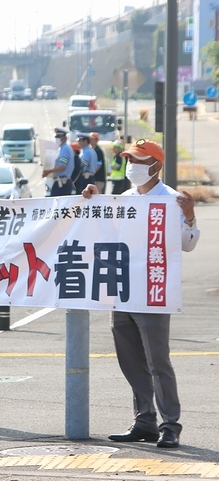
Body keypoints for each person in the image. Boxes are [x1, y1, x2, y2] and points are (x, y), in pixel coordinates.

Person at [82, 139, 200, 449]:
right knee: (131, 360)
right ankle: (144, 420)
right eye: (129, 159)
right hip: (123, 291)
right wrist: (93, 202)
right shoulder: (124, 198)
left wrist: (189, 218)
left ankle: (170, 424)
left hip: (153, 292)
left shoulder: (172, 200)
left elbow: (187, 244)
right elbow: (105, 233)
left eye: (138, 159)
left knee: (157, 361)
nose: (132, 165)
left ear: (156, 165)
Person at [42, 126, 75, 196]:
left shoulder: (65, 149)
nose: (57, 138)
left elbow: (62, 166)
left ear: (64, 138)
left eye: (59, 137)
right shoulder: (61, 149)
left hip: (63, 183)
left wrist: (49, 171)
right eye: (56, 136)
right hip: (60, 182)